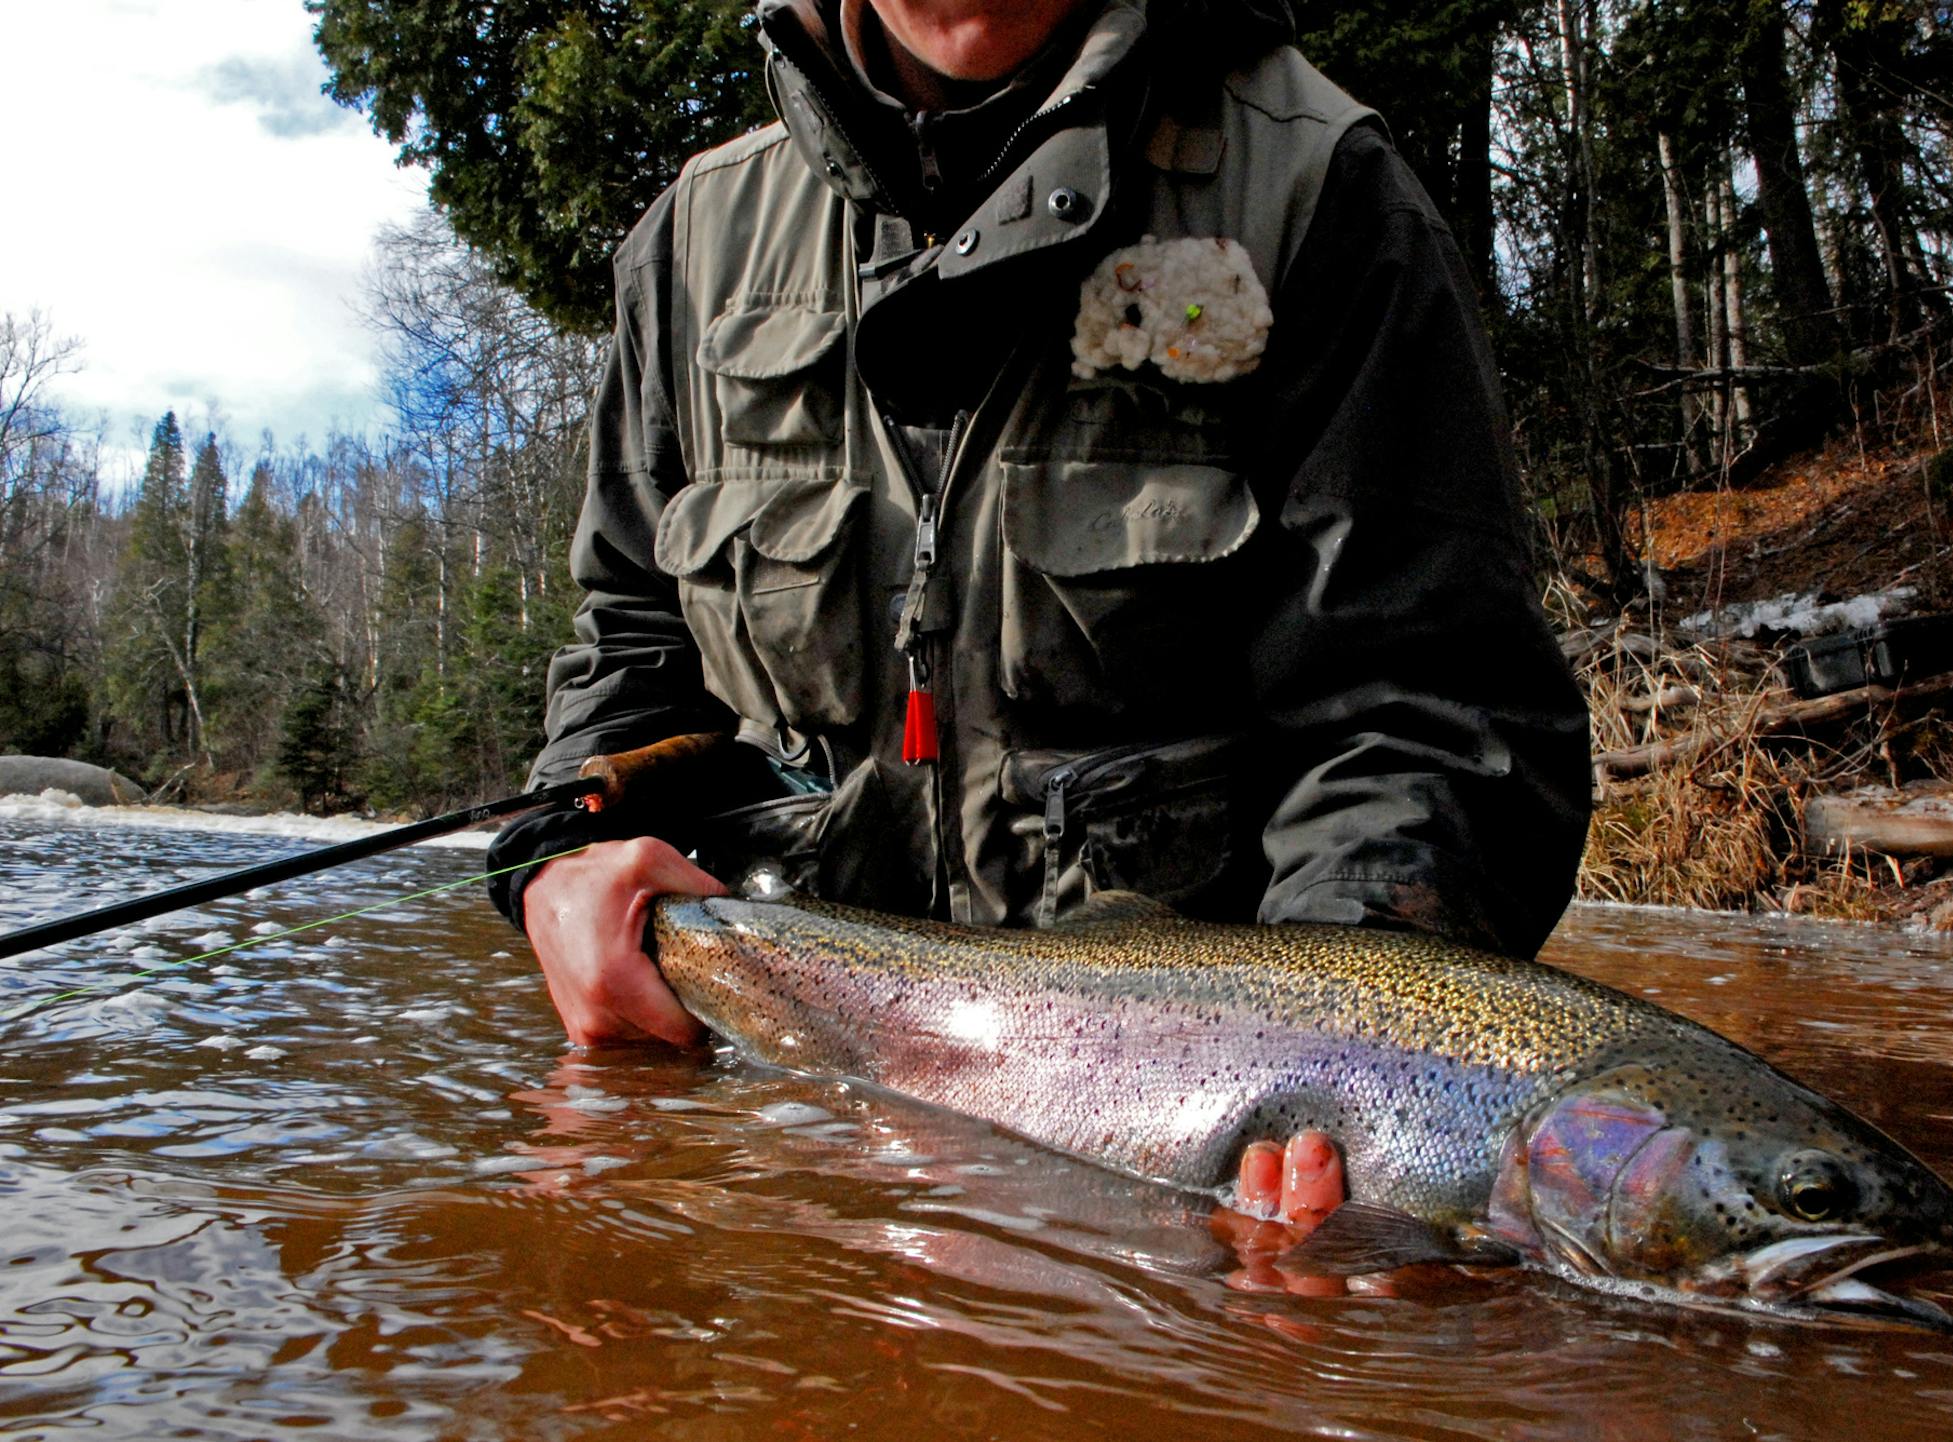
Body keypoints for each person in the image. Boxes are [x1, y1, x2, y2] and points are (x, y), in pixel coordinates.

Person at [487, 0, 1591, 1237]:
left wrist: (1346, 1074)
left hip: (1162, 1180)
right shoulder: (692, 243)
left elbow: (1426, 707)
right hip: (770, 1120)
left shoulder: (1321, 187)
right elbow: (633, 640)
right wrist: (559, 863)